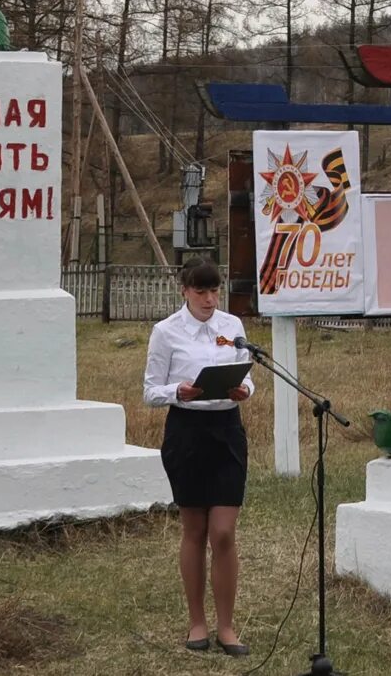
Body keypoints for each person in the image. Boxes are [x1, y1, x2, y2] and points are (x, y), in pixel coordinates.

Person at [144, 257, 256, 655]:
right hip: (187, 432)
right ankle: (197, 622)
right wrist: (180, 391)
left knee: (223, 532)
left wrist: (245, 390)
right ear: (184, 291)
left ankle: (227, 627)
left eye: (215, 291)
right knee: (194, 531)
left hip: (226, 430)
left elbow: (248, 375)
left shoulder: (232, 326)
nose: (210, 299)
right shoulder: (166, 332)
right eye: (201, 291)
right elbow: (150, 390)